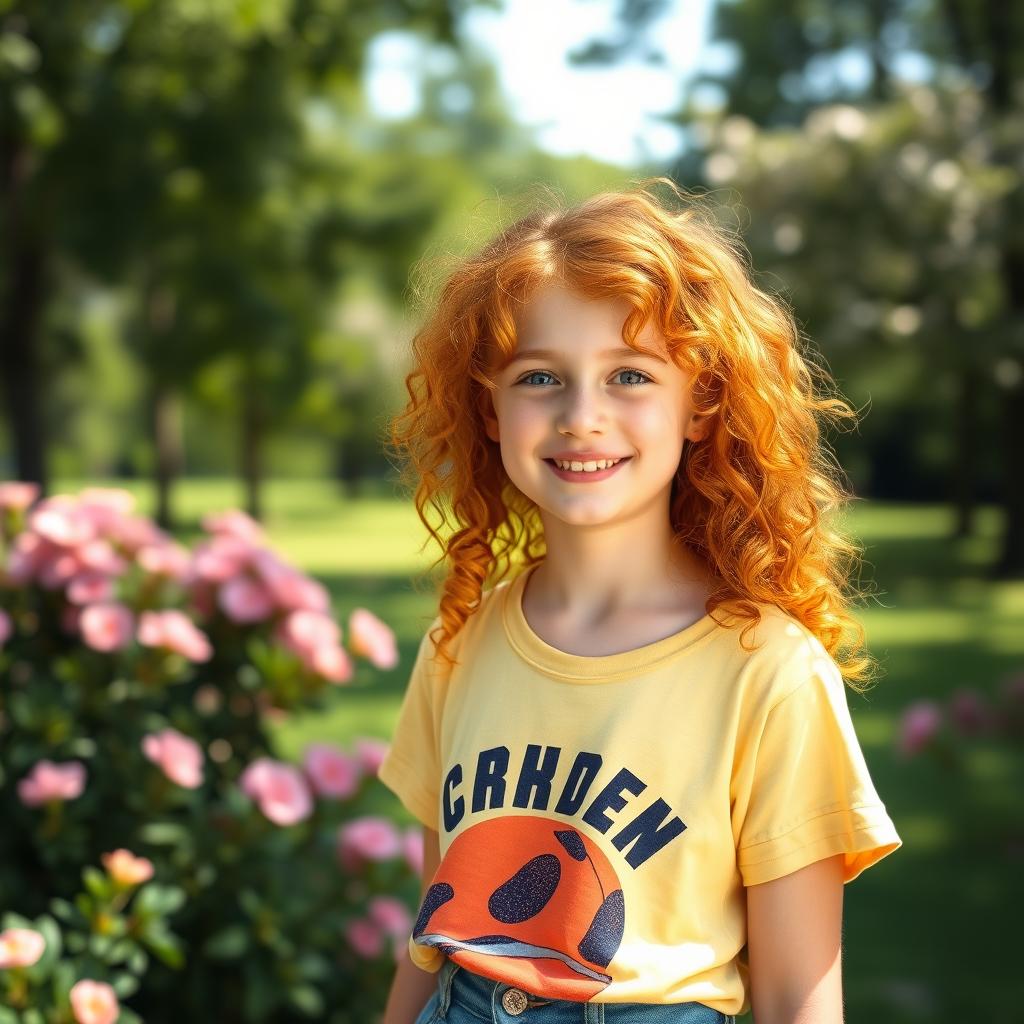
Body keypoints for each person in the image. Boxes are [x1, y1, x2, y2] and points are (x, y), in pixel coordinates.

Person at [377, 178, 902, 1024]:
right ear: (488, 410)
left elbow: (797, 996)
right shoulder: (460, 642)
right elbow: (435, 934)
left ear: (700, 405)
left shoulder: (768, 674)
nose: (583, 416)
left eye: (629, 375)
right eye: (540, 377)